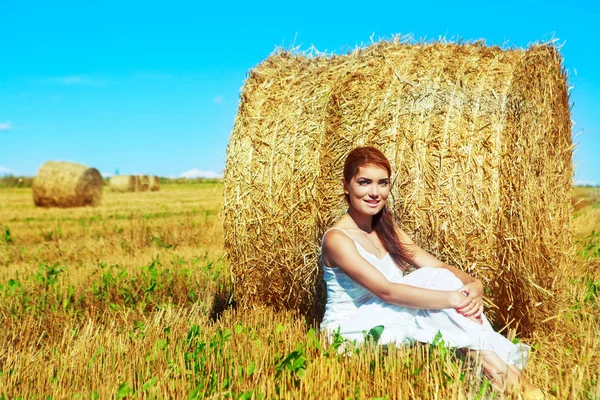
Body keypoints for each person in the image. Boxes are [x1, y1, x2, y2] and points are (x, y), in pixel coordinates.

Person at [320, 146, 544, 398]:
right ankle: (508, 378)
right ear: (346, 186)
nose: (374, 192)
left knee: (439, 280)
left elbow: (436, 265)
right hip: (351, 333)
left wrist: (474, 284)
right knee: (435, 287)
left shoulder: (386, 229)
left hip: (389, 317)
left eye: (382, 183)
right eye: (364, 182)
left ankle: (502, 375)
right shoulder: (337, 239)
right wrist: (453, 298)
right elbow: (387, 291)